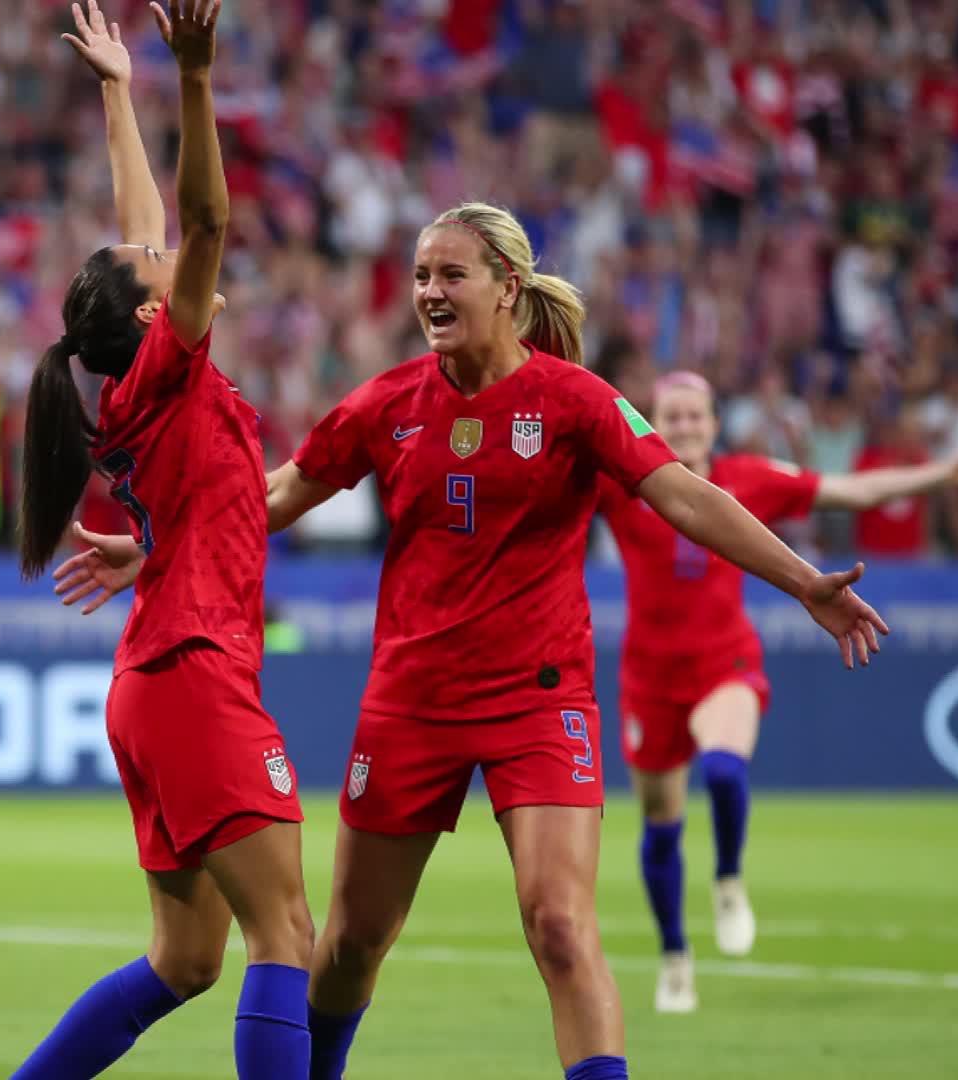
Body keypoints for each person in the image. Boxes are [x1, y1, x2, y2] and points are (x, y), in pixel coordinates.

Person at [56, 202, 890, 1080]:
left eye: (451, 275)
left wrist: (804, 582)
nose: (429, 292)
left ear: (509, 288)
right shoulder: (389, 403)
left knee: (561, 927)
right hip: (410, 703)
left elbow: (682, 494)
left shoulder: (573, 400)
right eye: (421, 276)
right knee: (346, 948)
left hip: (539, 698)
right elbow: (286, 489)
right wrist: (159, 543)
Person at [10, 4, 315, 1078]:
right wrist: (194, 78)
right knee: (288, 938)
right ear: (153, 316)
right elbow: (204, 220)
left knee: (187, 962)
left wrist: (113, 89)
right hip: (193, 673)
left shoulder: (140, 373)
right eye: (158, 268)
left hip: (152, 678)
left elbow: (148, 223)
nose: (169, 255)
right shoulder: (171, 361)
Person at [595, 371, 958, 1014]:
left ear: (714, 423)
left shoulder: (748, 479)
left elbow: (849, 489)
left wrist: (941, 475)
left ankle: (729, 877)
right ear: (653, 422)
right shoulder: (625, 481)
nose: (682, 428)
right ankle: (675, 956)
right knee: (661, 828)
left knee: (724, 769)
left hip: (722, 660)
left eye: (694, 417)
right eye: (670, 417)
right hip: (647, 678)